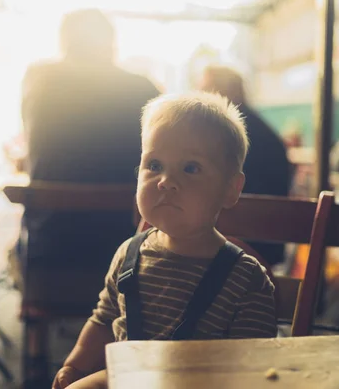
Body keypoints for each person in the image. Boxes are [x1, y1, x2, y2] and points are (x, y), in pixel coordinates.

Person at [52, 92, 277, 389]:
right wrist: (74, 365)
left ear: (230, 189)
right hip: (127, 379)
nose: (165, 181)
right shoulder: (129, 254)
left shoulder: (247, 281)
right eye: (154, 165)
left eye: (190, 168)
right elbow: (105, 320)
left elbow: (254, 371)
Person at [17, 9, 160, 274]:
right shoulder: (143, 89)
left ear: (64, 43)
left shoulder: (39, 81)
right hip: (127, 253)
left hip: (49, 250)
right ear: (111, 44)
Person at [200, 65, 291, 265]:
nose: (200, 97)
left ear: (222, 92)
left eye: (205, 89)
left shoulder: (226, 133)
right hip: (268, 246)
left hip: (236, 248)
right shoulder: (262, 130)